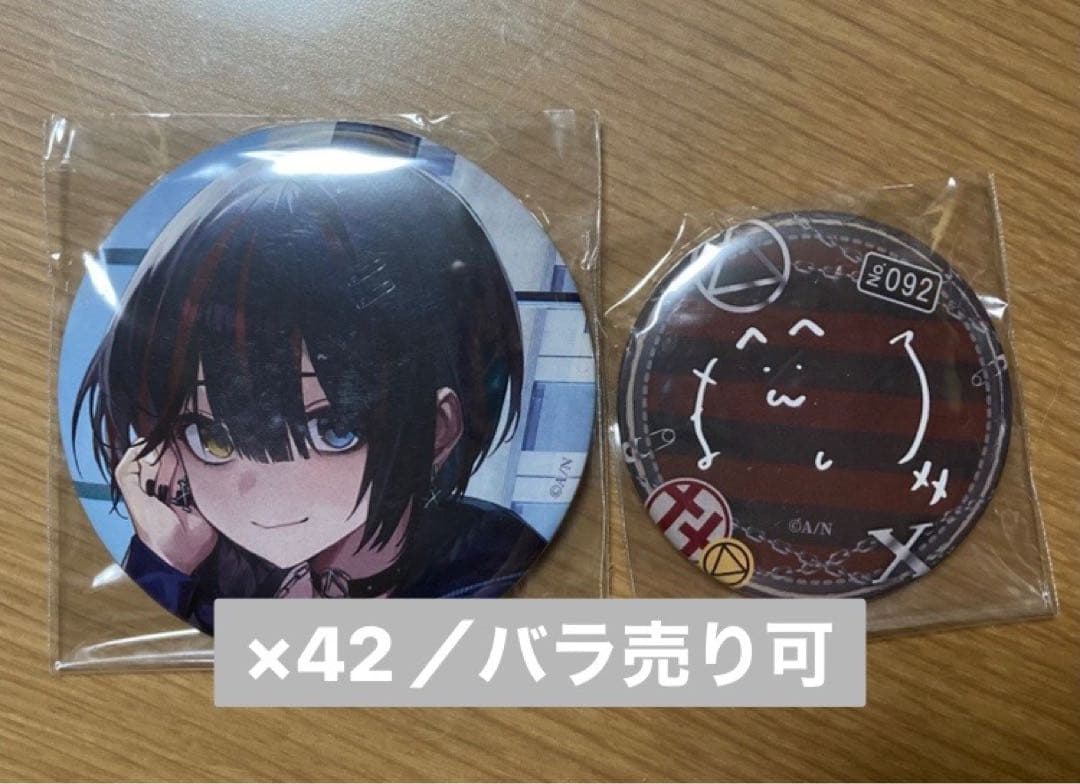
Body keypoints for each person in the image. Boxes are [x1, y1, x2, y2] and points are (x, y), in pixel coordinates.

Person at [73, 125, 544, 634]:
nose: (263, 491)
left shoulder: (489, 567)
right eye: (213, 437)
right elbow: (142, 648)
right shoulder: (198, 563)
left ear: (437, 428)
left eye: (332, 429)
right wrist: (162, 563)